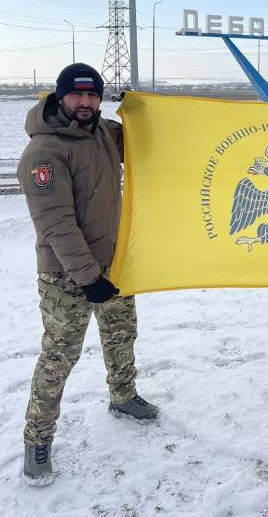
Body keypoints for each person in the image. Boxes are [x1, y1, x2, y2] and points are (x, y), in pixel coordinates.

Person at [17, 63, 158, 487]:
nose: (85, 102)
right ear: (59, 98)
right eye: (77, 95)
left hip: (112, 265)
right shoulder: (44, 154)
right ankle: (37, 439)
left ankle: (123, 396)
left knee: (121, 335)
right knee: (60, 357)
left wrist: (143, 109)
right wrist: (87, 278)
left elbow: (142, 138)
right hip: (66, 275)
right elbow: (56, 224)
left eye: (93, 95)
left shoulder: (99, 133)